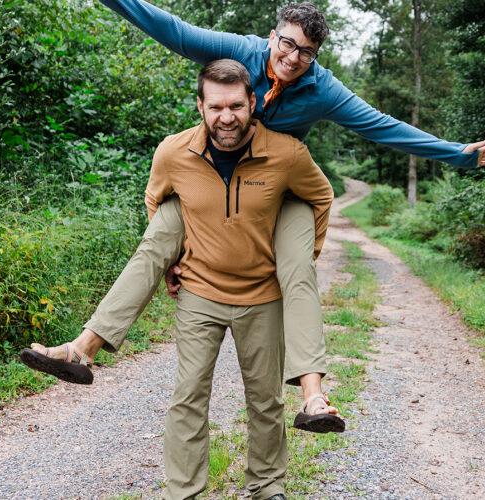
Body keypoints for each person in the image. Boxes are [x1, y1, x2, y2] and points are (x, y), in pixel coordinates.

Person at [20, 1, 485, 433]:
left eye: (306, 52)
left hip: (283, 184)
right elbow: (170, 28)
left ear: (315, 55)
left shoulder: (324, 88)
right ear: (273, 35)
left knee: (297, 269)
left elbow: (382, 126)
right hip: (210, 173)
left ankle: (314, 396)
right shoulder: (237, 51)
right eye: (288, 45)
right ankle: (82, 348)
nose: (293, 59)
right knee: (156, 239)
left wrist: (457, 155)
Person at [155, 59, 331, 499]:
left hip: (263, 294)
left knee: (265, 400)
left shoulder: (287, 154)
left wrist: (300, 260)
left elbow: (320, 197)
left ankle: (268, 488)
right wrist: (173, 259)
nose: (226, 116)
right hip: (200, 290)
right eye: (215, 107)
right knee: (188, 396)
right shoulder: (174, 152)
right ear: (200, 106)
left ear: (253, 102)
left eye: (236, 105)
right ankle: (183, 493)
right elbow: (156, 200)